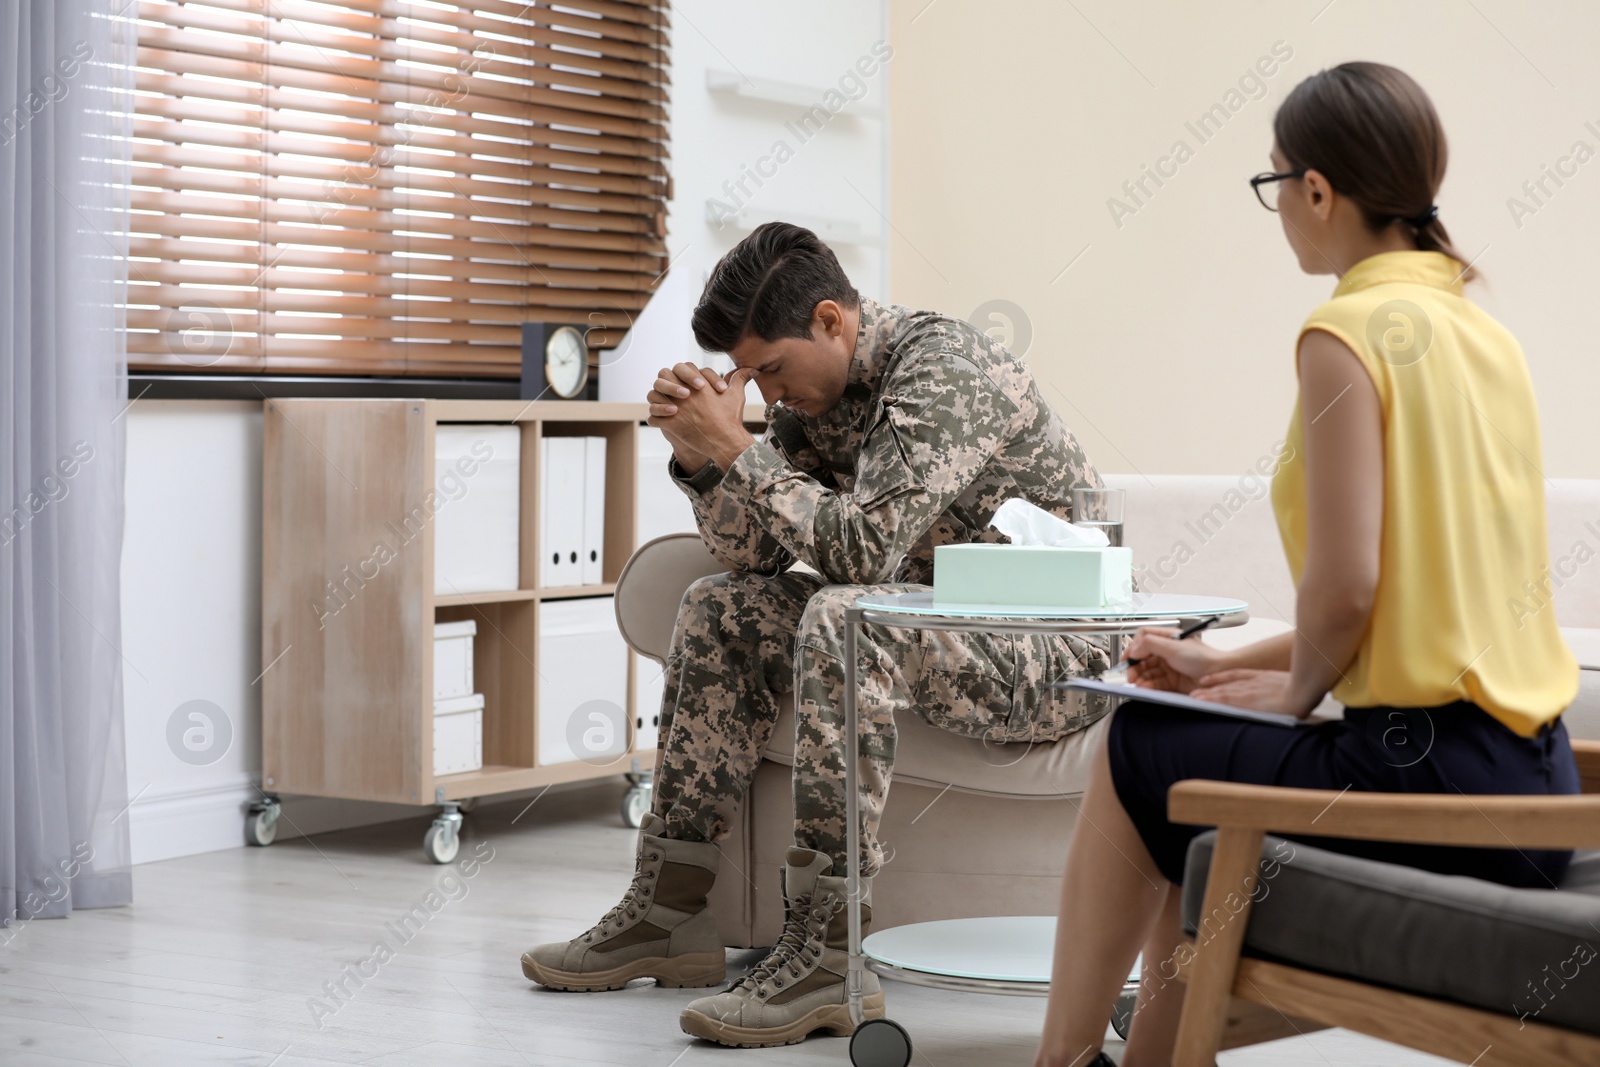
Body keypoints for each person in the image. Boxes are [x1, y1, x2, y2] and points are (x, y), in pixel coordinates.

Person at [1033, 62, 1581, 1067]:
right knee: (1195, 793)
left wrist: (1288, 691)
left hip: (1423, 787)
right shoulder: (1482, 333)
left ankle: (1059, 1057)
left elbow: (1348, 587)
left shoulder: (1344, 333)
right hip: (1531, 783)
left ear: (1317, 189)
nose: (1277, 206)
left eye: (1275, 183)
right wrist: (1218, 669)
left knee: (1136, 742)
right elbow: (1421, 600)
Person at [522, 221, 1114, 1048]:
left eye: (771, 369)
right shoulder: (818, 395)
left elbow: (862, 550)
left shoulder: (942, 370)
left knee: (848, 613)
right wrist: (703, 460)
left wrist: (740, 448)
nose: (766, 396)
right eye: (750, 378)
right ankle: (669, 911)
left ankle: (830, 956)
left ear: (832, 321)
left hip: (1051, 649)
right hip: (939, 624)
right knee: (718, 606)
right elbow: (758, 552)